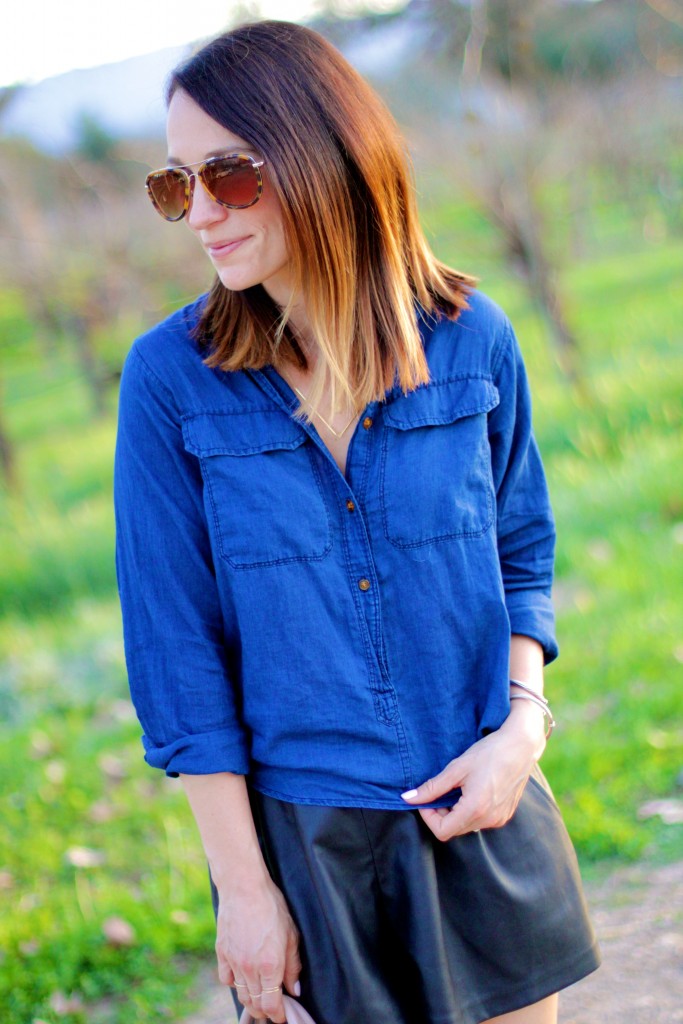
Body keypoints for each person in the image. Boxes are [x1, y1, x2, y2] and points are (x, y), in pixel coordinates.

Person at [114, 19, 600, 1024]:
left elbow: (521, 550)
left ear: (320, 157)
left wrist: (521, 728)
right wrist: (246, 892)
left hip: (483, 812)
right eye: (174, 186)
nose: (200, 211)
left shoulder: (472, 338)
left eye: (229, 175)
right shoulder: (169, 383)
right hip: (309, 851)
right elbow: (176, 651)